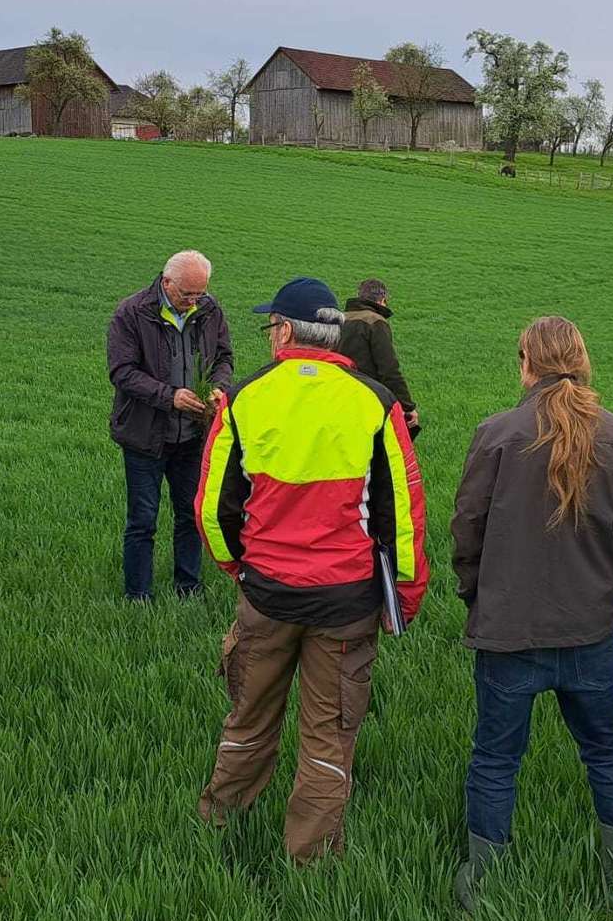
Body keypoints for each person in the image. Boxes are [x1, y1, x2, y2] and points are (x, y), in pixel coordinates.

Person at [195, 277, 428, 863]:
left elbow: (212, 509)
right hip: (347, 602)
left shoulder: (245, 398)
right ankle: (312, 858)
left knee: (248, 715)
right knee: (329, 735)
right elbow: (403, 512)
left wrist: (239, 571)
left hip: (267, 595)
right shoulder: (376, 402)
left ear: (283, 331)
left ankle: (219, 822)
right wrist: (405, 593)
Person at [450, 316, 613, 911]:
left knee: (495, 757)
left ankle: (482, 879)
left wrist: (478, 595)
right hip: (589, 626)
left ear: (526, 362)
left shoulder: (496, 433)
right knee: (608, 752)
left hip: (508, 630)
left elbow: (468, 530)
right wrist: (611, 589)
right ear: (583, 360)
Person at [107, 250, 234, 601]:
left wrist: (219, 387)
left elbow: (224, 358)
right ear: (166, 283)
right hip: (144, 435)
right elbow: (121, 372)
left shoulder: (210, 309)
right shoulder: (132, 313)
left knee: (190, 515)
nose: (193, 302)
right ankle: (138, 595)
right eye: (186, 294)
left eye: (199, 294)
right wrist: (169, 396)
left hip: (193, 434)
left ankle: (188, 588)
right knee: (143, 520)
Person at [337, 278, 419, 437]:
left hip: (340, 395)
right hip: (369, 397)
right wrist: (408, 406)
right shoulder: (376, 322)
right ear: (382, 300)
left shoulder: (340, 319)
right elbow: (388, 369)